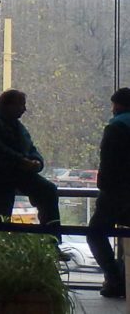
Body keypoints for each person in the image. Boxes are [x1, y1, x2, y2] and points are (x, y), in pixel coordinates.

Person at [0, 89, 60, 235]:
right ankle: (50, 238)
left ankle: (51, 239)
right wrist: (23, 162)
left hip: (16, 174)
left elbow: (30, 148)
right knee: (1, 218)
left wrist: (37, 162)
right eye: (21, 105)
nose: (24, 109)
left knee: (49, 191)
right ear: (8, 105)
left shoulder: (12, 125)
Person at [87, 87, 130, 298]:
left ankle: (115, 279)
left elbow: (109, 162)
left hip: (116, 192)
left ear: (118, 105)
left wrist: (103, 186)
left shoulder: (116, 127)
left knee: (95, 233)